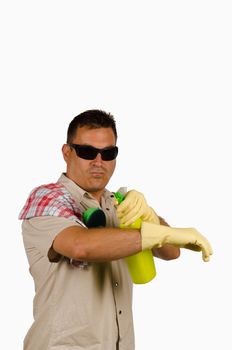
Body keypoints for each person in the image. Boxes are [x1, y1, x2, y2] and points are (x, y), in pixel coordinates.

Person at [19, 109, 212, 350]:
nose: (99, 162)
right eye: (88, 152)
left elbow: (171, 252)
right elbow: (81, 246)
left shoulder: (119, 204)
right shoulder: (48, 198)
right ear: (67, 153)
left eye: (108, 153)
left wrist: (151, 216)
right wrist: (158, 233)